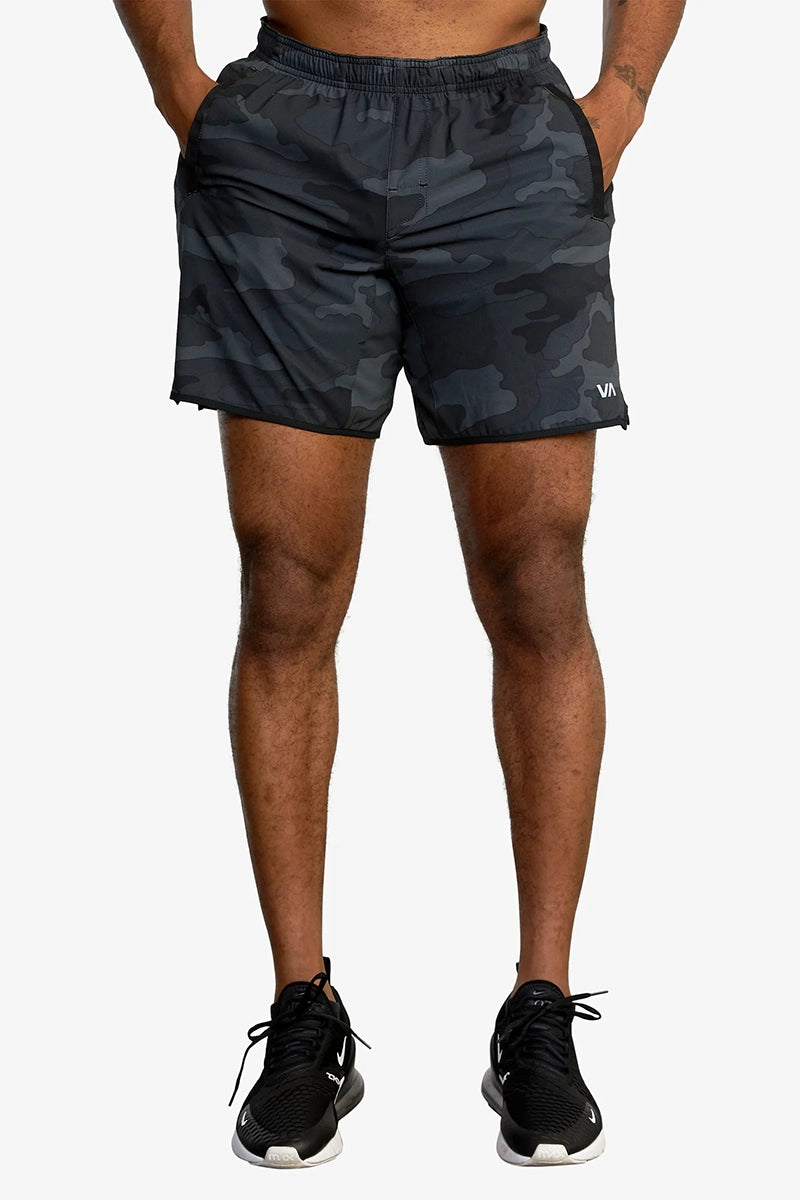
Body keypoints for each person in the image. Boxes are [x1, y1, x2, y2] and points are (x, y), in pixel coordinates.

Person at [114, 0, 685, 1169]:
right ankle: (302, 1010)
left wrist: (620, 99)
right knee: (285, 582)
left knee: (537, 573)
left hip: (509, 143)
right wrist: (177, 82)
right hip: (287, 149)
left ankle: (539, 1007)